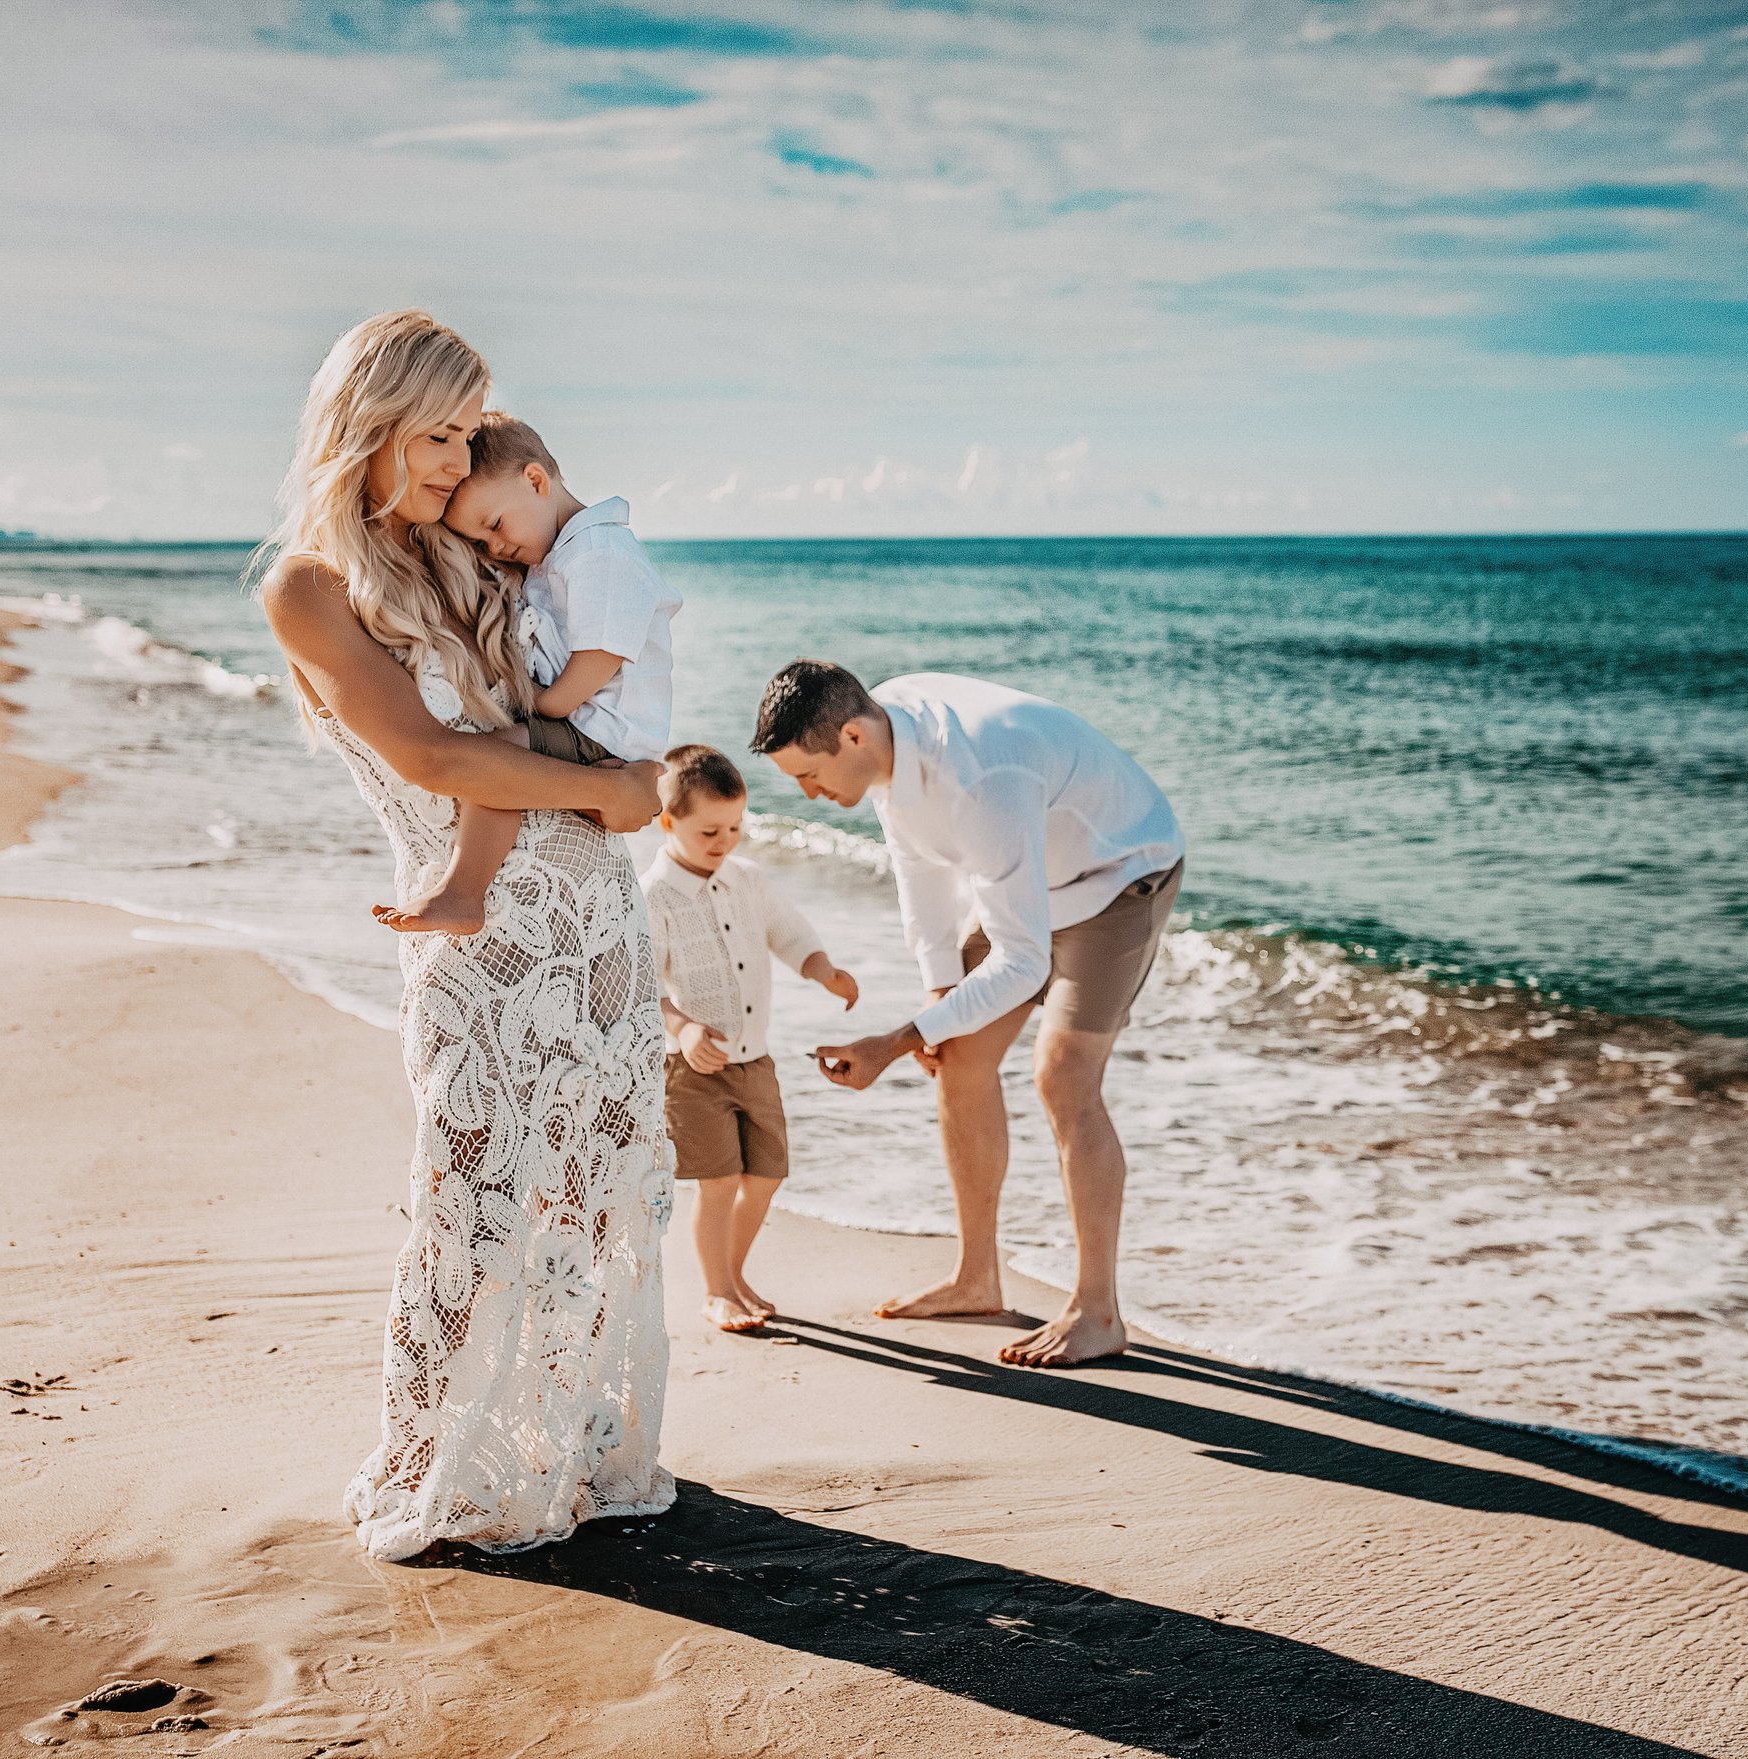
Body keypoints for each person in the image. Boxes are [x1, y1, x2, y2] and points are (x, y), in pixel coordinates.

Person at [256, 309, 678, 1561]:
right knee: (475, 1202)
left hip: (597, 924)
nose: (456, 460)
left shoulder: (463, 558)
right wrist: (614, 795)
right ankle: (444, 1462)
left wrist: (619, 788)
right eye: (435, 434)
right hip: (480, 946)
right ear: (367, 425)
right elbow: (438, 755)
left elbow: (576, 688)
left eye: (461, 435)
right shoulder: (311, 589)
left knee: (595, 1201)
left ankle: (574, 1452)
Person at [753, 661, 1183, 1368]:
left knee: (1063, 1078)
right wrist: (934, 1001)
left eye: (808, 773)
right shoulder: (885, 746)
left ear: (853, 735)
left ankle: (1098, 1311)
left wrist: (895, 1041)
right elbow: (920, 885)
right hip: (1026, 879)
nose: (807, 792)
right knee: (956, 1052)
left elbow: (1023, 962)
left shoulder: (978, 775)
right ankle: (977, 1277)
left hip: (1119, 873)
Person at [372, 410, 682, 936]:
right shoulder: (556, 554)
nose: (495, 548)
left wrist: (547, 704)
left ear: (536, 480)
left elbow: (602, 654)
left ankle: (462, 893)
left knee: (498, 760)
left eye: (494, 526)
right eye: (480, 542)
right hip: (589, 723)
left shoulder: (601, 552)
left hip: (602, 727)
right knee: (503, 757)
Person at [645, 744, 860, 1334]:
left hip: (755, 1062)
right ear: (668, 823)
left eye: (736, 826)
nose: (726, 840)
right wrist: (685, 1028)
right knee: (716, 1184)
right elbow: (642, 985)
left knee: (765, 1176)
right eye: (710, 830)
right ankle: (717, 1292)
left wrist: (823, 969)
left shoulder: (748, 880)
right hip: (694, 1070)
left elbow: (790, 935)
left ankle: (734, 1276)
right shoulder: (655, 895)